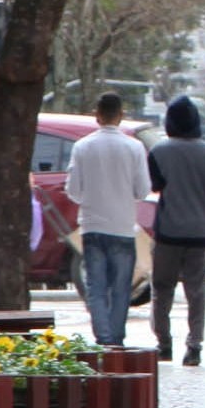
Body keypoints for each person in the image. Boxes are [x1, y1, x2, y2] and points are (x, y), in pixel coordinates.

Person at [65, 92, 150, 348]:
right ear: (121, 115)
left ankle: (102, 338)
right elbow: (142, 190)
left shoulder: (82, 146)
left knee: (96, 286)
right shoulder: (134, 147)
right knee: (122, 288)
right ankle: (117, 338)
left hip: (92, 226)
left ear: (97, 115)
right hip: (123, 226)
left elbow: (73, 191)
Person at [148, 96, 205, 367]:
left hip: (168, 229)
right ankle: (194, 346)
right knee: (196, 290)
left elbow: (155, 186)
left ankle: (164, 343)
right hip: (201, 230)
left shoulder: (159, 152)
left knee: (162, 288)